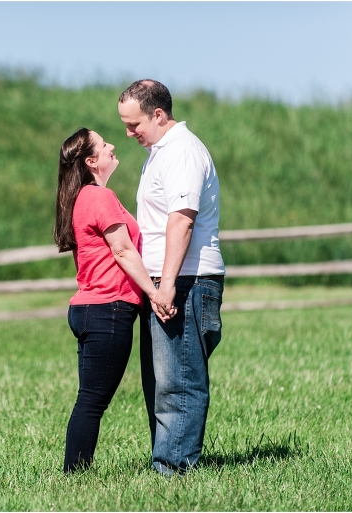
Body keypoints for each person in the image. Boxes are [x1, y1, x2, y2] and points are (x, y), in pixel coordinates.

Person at [117, 79, 225, 477]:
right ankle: (167, 458)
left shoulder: (181, 151)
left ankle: (175, 469)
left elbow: (181, 221)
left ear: (158, 114)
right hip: (170, 278)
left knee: (179, 380)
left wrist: (166, 285)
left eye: (134, 125)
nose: (129, 135)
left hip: (186, 279)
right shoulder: (160, 151)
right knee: (162, 380)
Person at [54, 127, 173, 474]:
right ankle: (74, 475)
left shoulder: (85, 198)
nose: (112, 147)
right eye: (104, 145)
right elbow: (122, 249)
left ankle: (75, 472)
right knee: (92, 399)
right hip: (108, 309)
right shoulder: (99, 198)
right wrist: (154, 293)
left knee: (90, 397)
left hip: (90, 308)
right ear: (91, 161)